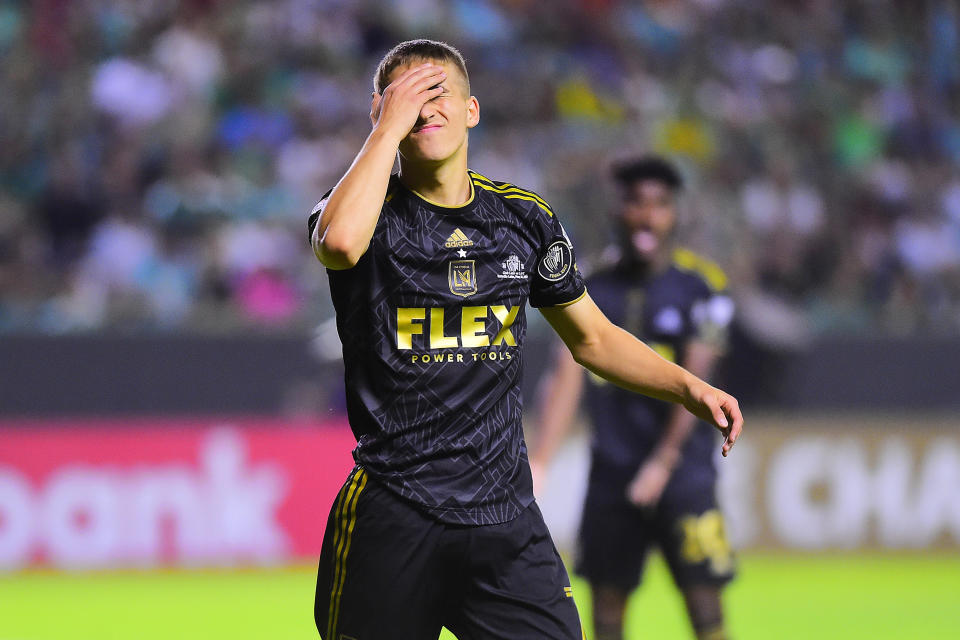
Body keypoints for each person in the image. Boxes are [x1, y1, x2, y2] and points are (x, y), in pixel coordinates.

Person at [308, 40, 742, 640]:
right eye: (406, 101)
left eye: (437, 96)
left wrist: (688, 388)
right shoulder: (361, 210)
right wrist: (385, 133)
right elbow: (339, 246)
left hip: (504, 519)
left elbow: (592, 339)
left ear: (472, 111)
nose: (423, 111)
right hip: (395, 511)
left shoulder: (523, 219)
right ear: (382, 114)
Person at [530, 156, 737, 640]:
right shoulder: (589, 286)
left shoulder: (701, 286)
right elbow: (565, 376)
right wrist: (541, 459)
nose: (647, 216)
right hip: (613, 475)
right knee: (605, 613)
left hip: (685, 476)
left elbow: (696, 379)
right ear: (617, 210)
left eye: (659, 205)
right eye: (635, 203)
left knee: (705, 606)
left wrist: (663, 462)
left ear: (674, 214)